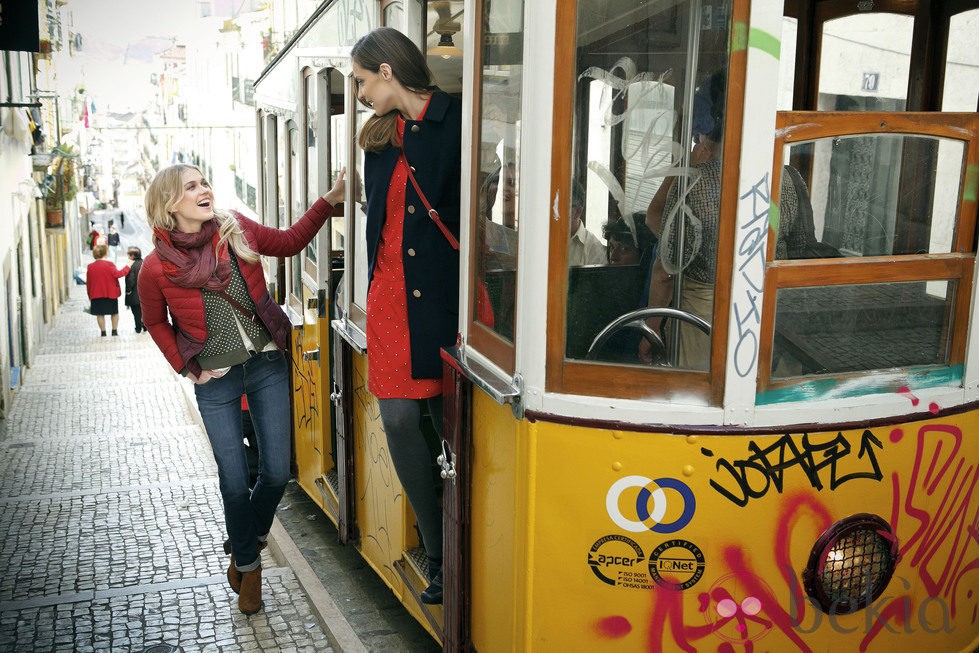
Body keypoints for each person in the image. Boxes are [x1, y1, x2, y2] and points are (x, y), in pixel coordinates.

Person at [137, 163, 344, 615]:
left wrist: (330, 200)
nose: (203, 190)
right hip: (216, 382)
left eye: (204, 182)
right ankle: (248, 568)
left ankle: (249, 537)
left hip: (267, 364)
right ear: (170, 204)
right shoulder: (154, 269)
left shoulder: (235, 229)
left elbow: (290, 242)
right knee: (233, 480)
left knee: (275, 471)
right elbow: (155, 321)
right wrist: (185, 366)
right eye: (191, 187)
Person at [344, 26, 461, 605]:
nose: (361, 93)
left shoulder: (458, 122)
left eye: (364, 80)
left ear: (387, 71)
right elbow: (382, 228)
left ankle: (464, 550)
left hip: (443, 296)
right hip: (391, 298)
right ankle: (437, 553)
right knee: (397, 421)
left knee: (449, 425)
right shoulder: (379, 140)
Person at [86, 243, 129, 336]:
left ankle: (103, 332)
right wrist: (128, 266)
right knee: (114, 313)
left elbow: (88, 282)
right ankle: (114, 331)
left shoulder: (90, 266)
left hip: (96, 294)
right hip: (110, 293)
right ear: (105, 253)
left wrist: (89, 295)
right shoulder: (109, 264)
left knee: (100, 314)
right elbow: (118, 274)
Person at [568, 180, 606, 266]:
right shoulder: (540, 238)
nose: (554, 212)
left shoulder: (594, 249)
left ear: (578, 212)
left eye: (560, 206)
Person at [124, 246, 144, 333]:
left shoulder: (131, 266)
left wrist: (128, 291)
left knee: (136, 313)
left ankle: (138, 328)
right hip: (146, 294)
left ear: (132, 256)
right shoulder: (145, 263)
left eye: (128, 255)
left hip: (135, 295)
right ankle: (145, 326)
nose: (128, 257)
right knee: (144, 311)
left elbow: (130, 281)